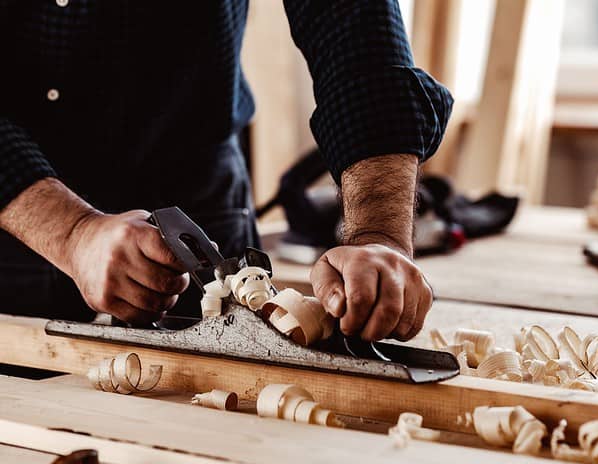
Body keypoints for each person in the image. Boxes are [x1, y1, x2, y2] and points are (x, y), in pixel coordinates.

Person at [0, 1, 452, 342]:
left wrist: (380, 236)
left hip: (196, 215)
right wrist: (73, 232)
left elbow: (356, 30)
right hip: (14, 221)